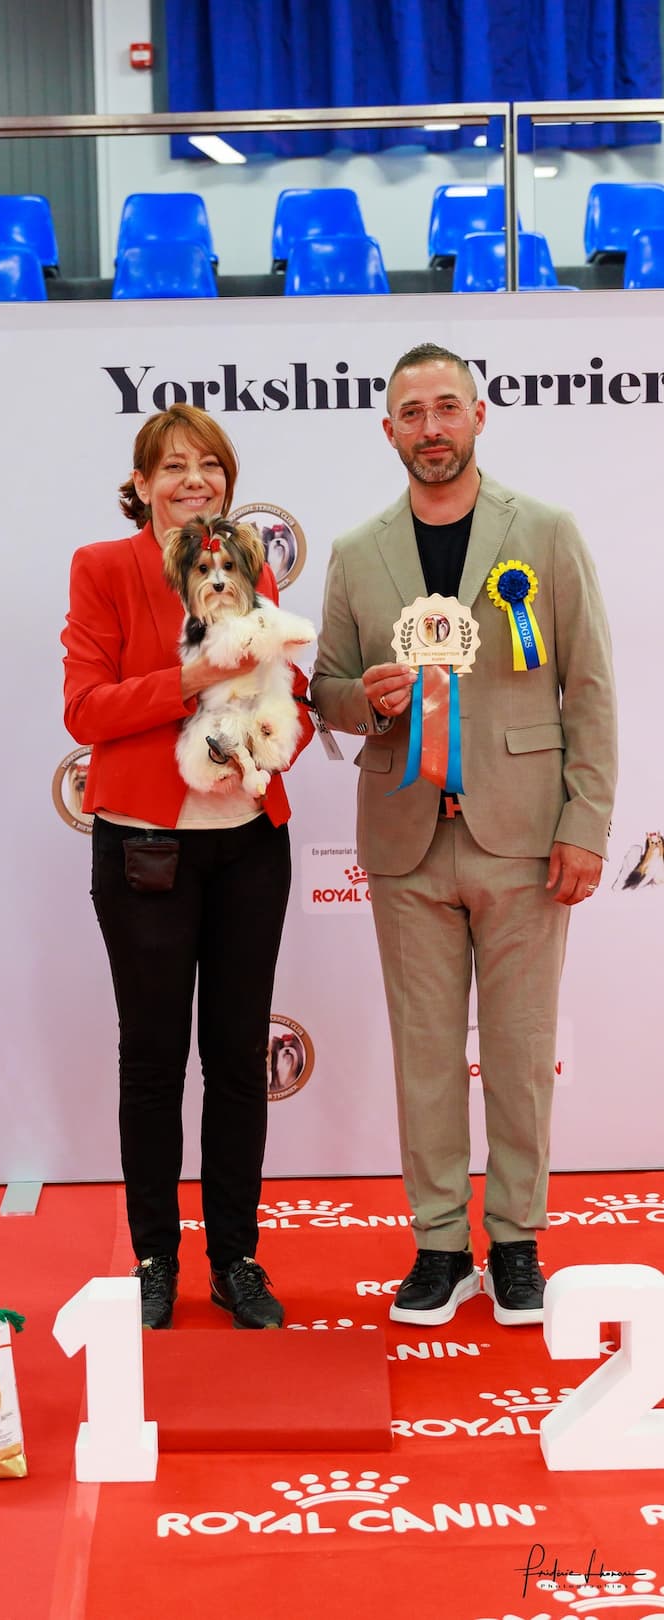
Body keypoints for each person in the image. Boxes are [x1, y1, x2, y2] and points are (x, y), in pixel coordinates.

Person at [311, 342, 617, 1329]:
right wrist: (368, 696)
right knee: (425, 1053)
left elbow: (593, 690)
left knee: (522, 1052)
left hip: (526, 837)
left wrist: (588, 822)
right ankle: (440, 1242)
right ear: (389, 430)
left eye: (448, 408)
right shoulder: (358, 554)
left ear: (479, 417)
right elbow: (326, 693)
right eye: (412, 412)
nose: (431, 428)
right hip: (407, 841)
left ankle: (518, 1240)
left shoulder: (549, 532)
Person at [62, 403, 313, 1330]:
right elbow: (86, 710)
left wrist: (285, 721)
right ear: (140, 485)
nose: (192, 481)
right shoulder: (105, 569)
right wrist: (197, 680)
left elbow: (281, 689)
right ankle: (155, 1258)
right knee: (153, 1058)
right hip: (146, 847)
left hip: (252, 840)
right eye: (172, 467)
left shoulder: (254, 563)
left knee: (240, 1060)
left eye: (209, 465)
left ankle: (238, 1258)